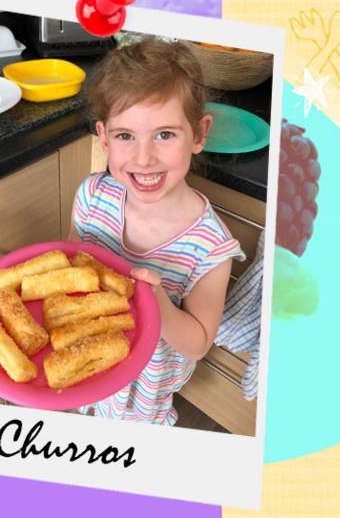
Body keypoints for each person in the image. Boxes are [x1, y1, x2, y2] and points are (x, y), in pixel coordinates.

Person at [70, 36, 245, 424]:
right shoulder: (92, 196)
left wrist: (158, 305)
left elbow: (198, 343)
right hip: (90, 354)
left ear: (199, 134)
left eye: (164, 134)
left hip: (145, 389)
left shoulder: (210, 247)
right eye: (125, 136)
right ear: (103, 137)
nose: (143, 158)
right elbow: (72, 264)